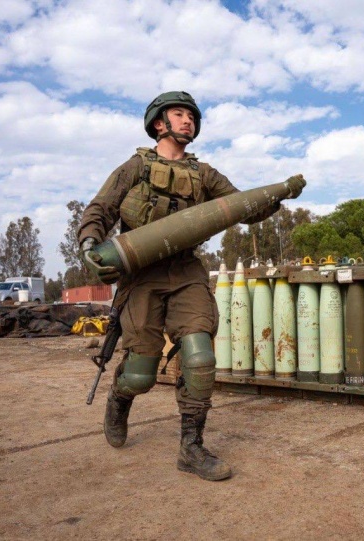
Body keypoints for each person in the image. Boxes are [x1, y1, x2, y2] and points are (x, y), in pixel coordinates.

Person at [78, 91, 279, 481]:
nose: (188, 120)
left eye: (191, 115)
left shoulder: (205, 174)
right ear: (159, 123)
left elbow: (239, 205)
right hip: (141, 275)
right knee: (140, 374)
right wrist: (89, 243)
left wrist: (274, 198)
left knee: (200, 356)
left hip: (186, 272)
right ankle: (119, 399)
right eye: (179, 114)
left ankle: (191, 448)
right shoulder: (134, 166)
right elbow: (99, 209)